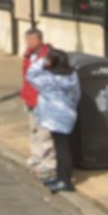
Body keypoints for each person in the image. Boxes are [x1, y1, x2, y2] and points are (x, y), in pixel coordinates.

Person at [26, 48, 81, 193]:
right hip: (68, 114)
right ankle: (60, 176)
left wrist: (40, 61)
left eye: (49, 59)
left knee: (62, 149)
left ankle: (66, 182)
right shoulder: (72, 76)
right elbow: (77, 95)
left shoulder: (48, 79)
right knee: (61, 147)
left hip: (54, 118)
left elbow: (30, 75)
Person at [21, 29, 54, 180]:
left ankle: (49, 162)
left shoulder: (48, 56)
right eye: (27, 40)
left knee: (45, 133)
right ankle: (37, 156)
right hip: (30, 98)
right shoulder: (29, 54)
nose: (28, 43)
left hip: (43, 101)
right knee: (33, 129)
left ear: (39, 40)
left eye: (31, 40)